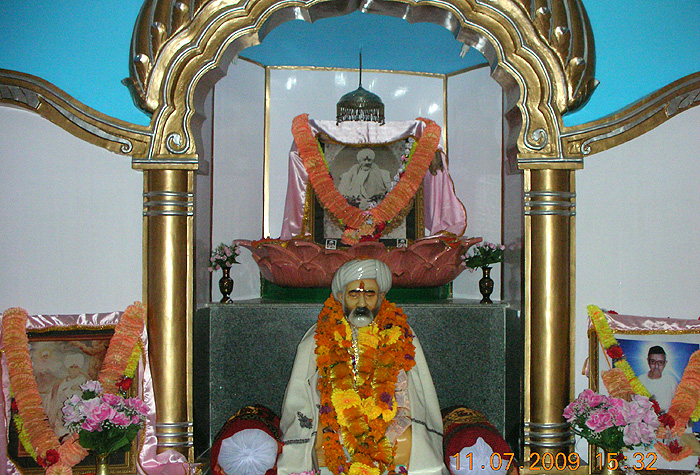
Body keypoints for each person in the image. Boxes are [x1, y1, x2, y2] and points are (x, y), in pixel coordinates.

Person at [277, 259, 447, 475]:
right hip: (334, 419)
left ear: (381, 297)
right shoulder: (320, 335)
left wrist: (387, 417)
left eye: (369, 294)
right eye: (354, 294)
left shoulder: (399, 333)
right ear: (340, 297)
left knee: (410, 440)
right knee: (314, 440)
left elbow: (410, 392)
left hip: (385, 418)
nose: (362, 302)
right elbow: (304, 390)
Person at [637, 346, 678, 411]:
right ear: (648, 361)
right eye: (653, 361)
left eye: (660, 362)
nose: (656, 366)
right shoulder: (640, 380)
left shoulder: (671, 381)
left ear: (665, 363)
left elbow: (676, 404)